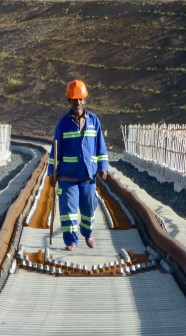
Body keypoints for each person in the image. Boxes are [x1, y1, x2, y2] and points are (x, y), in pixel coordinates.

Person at [48, 79, 109, 251]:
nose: (78, 102)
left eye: (81, 99)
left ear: (85, 100)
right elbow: (55, 150)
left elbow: (101, 147)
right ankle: (71, 241)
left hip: (88, 176)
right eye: (75, 100)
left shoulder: (94, 121)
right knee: (68, 210)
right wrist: (51, 172)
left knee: (89, 207)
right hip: (67, 176)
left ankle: (87, 232)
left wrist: (103, 167)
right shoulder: (63, 123)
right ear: (69, 101)